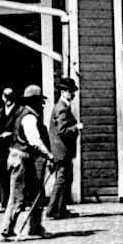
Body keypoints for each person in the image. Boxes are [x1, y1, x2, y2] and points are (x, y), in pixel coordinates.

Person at [1, 84, 53, 240]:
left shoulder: (19, 113)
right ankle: (6, 230)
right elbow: (34, 140)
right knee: (17, 197)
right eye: (40, 102)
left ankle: (36, 227)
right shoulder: (29, 117)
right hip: (21, 158)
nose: (42, 106)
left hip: (23, 158)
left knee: (37, 191)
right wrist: (48, 154)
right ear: (34, 101)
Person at [47, 77, 83, 220]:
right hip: (62, 150)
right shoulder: (62, 108)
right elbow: (62, 131)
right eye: (70, 91)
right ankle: (52, 210)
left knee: (64, 180)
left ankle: (60, 210)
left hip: (61, 150)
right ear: (63, 92)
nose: (72, 94)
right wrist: (76, 127)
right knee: (61, 180)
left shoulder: (61, 106)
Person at [0, 87, 21, 214]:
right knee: (3, 176)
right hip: (1, 148)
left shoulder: (19, 111)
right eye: (5, 97)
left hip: (14, 146)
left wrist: (10, 134)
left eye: (10, 96)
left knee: (16, 175)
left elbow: (19, 128)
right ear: (3, 97)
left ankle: (18, 202)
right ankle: (4, 203)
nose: (8, 100)